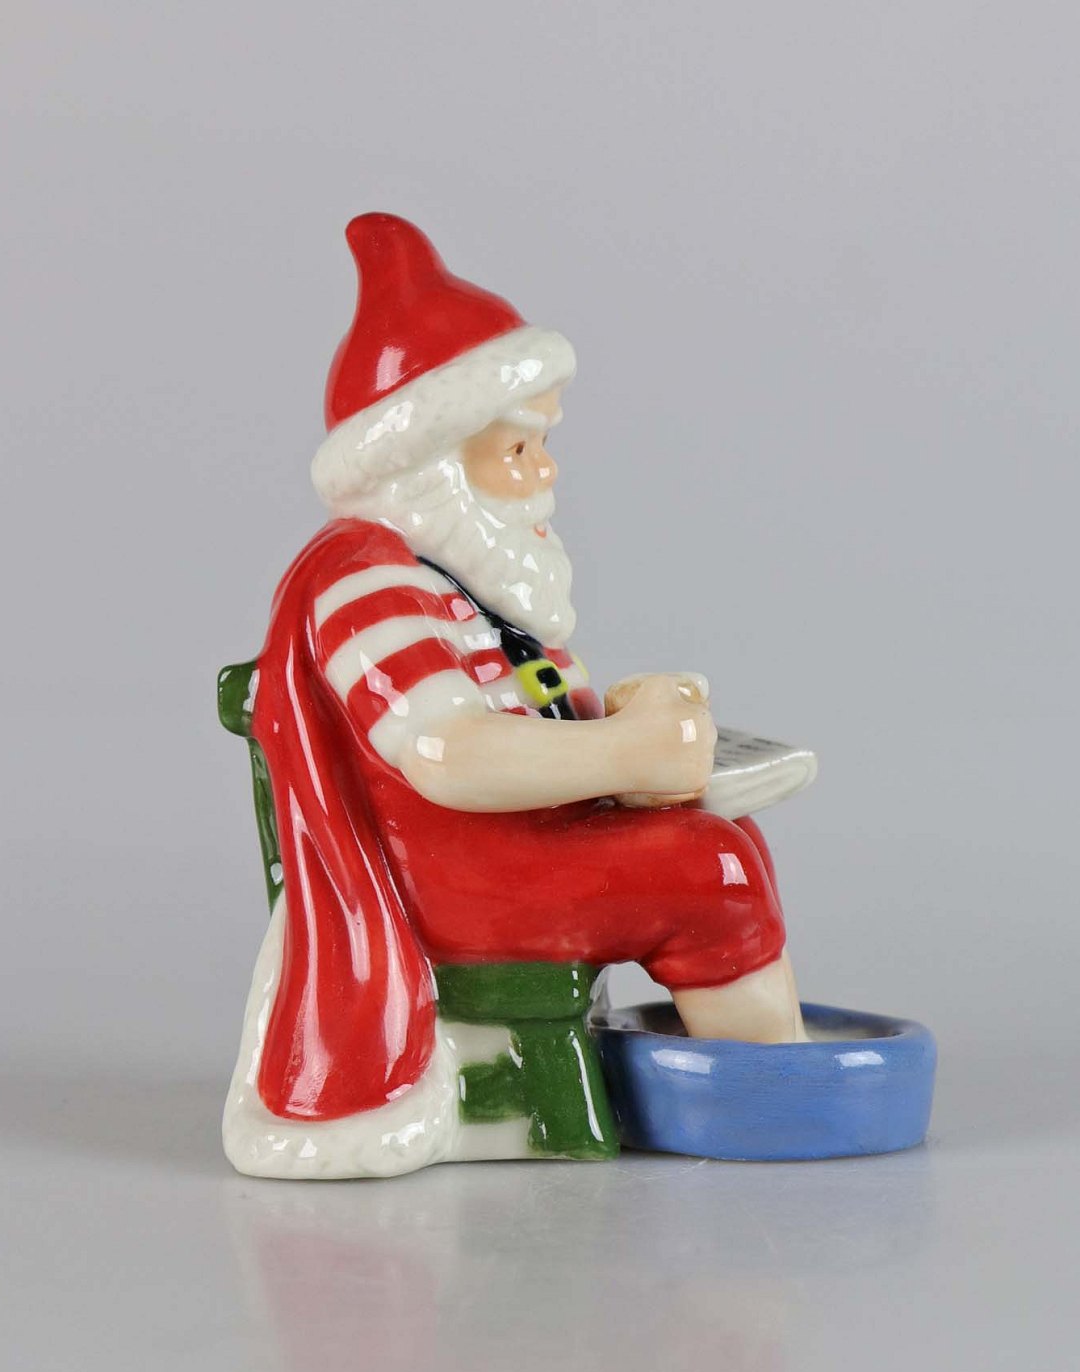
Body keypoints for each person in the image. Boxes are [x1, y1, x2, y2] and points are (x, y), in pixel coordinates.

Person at [223, 214, 806, 1178]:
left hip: (516, 847)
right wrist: (627, 753)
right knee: (714, 870)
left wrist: (629, 717)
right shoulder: (364, 576)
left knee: (727, 838)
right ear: (433, 461)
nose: (545, 472)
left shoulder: (471, 578)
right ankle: (768, 1098)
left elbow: (532, 723)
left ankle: (757, 1072)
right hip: (453, 877)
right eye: (520, 448)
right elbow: (449, 753)